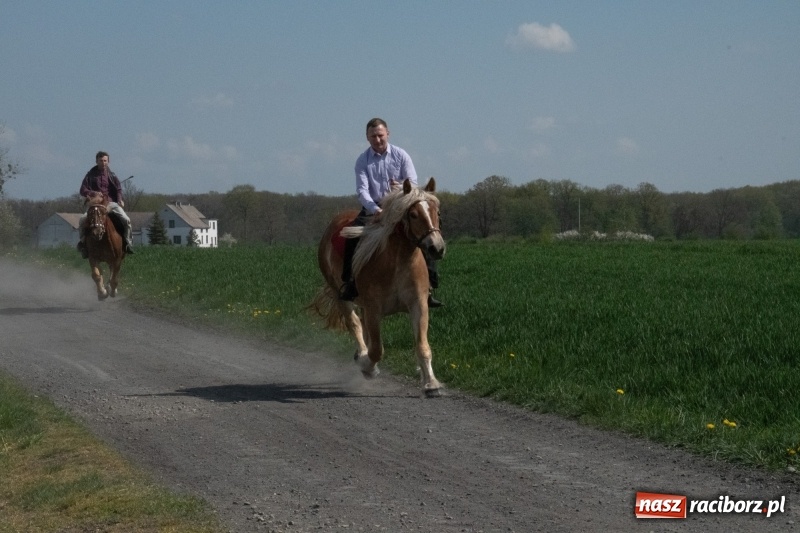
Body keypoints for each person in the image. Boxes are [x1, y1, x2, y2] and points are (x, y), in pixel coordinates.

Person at [340, 118, 443, 307]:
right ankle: (350, 282)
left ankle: (429, 286)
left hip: (400, 206)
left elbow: (412, 181)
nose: (378, 140)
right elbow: (362, 190)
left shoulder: (401, 155)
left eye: (380, 135)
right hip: (374, 207)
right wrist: (375, 209)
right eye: (373, 136)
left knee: (425, 232)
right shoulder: (363, 161)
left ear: (388, 133)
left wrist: (402, 187)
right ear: (367, 138)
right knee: (352, 236)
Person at [76, 151, 135, 257]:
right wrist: (93, 193)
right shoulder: (90, 175)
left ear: (108, 161)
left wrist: (120, 199)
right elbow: (82, 190)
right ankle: (83, 244)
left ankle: (128, 243)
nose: (103, 163)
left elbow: (118, 189)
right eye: (101, 161)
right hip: (95, 204)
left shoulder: (112, 175)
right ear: (96, 161)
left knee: (126, 220)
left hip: (111, 203)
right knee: (82, 220)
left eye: (105, 161)